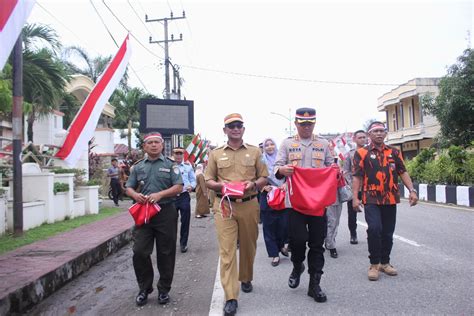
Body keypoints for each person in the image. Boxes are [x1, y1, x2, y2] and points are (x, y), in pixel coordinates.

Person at [205, 113, 268, 316]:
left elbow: (264, 177)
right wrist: (220, 186)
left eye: (239, 125)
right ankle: (231, 296)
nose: (235, 128)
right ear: (225, 130)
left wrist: (254, 184)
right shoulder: (215, 154)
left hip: (249, 204)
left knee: (249, 246)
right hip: (224, 205)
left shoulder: (255, 151)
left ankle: (246, 276)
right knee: (227, 251)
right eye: (231, 126)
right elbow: (208, 180)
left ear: (243, 129)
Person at [274, 107, 333, 303]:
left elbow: (332, 166)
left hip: (318, 204)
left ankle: (314, 284)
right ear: (296, 124)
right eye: (302, 123)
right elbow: (277, 167)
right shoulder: (287, 143)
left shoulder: (324, 143)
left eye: (310, 123)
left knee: (317, 244)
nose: (306, 126)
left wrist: (334, 170)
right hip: (295, 203)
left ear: (314, 123)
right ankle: (297, 265)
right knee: (298, 241)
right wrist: (282, 169)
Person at [352, 121, 418, 281]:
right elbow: (357, 176)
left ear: (386, 134)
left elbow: (402, 171)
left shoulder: (394, 152)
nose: (379, 134)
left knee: (388, 232)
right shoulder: (361, 153)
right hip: (371, 197)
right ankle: (374, 264)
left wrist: (412, 190)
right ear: (369, 135)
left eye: (382, 131)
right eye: (375, 131)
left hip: (390, 198)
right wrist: (355, 197)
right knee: (374, 229)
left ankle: (385, 262)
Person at [126, 132, 183, 306]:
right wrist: (135, 195)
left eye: (157, 142)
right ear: (144, 146)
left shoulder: (170, 165)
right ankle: (144, 288)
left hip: (165, 211)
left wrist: (160, 194)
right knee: (140, 251)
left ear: (161, 145)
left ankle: (164, 290)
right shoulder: (137, 167)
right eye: (150, 143)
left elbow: (178, 186)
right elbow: (128, 187)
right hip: (144, 214)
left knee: (166, 252)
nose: (153, 145)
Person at [260, 137, 289, 267]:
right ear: (264, 148)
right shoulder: (260, 161)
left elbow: (291, 174)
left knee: (283, 224)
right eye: (267, 145)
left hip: (283, 194)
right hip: (267, 195)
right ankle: (274, 254)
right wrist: (262, 186)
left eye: (272, 144)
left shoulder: (282, 159)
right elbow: (254, 176)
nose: (270, 147)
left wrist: (286, 184)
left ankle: (282, 245)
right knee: (269, 226)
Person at [343, 130, 367, 245]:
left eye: (364, 137)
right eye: (360, 138)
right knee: (352, 214)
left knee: (372, 212)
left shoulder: (371, 152)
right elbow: (346, 171)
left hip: (369, 188)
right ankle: (353, 234)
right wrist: (351, 184)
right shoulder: (350, 154)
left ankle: (372, 233)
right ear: (354, 139)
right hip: (354, 188)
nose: (362, 139)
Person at [172, 147, 197, 253]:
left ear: (183, 155)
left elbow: (193, 179)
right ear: (173, 154)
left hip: (184, 196)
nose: (178, 156)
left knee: (185, 221)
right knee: (171, 221)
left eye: (180, 154)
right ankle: (171, 243)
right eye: (176, 153)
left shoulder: (187, 166)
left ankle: (183, 243)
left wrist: (192, 186)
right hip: (172, 197)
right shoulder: (169, 166)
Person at [324, 155, 343, 259]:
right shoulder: (320, 163)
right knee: (331, 221)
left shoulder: (337, 162)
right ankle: (331, 246)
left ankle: (329, 240)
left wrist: (339, 172)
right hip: (325, 195)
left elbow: (342, 177)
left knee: (335, 222)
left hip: (337, 195)